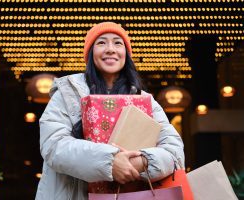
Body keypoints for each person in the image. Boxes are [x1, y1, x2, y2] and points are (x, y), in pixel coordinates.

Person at [35, 22, 185, 200]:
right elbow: (53, 146)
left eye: (117, 43)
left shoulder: (145, 100)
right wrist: (110, 162)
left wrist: (138, 163)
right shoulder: (67, 94)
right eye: (101, 43)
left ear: (126, 55)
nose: (110, 49)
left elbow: (174, 151)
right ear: (90, 54)